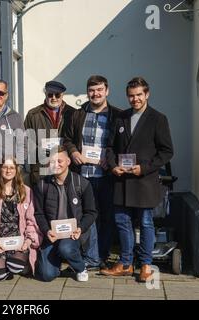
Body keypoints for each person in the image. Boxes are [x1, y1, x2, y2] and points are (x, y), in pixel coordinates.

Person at [100, 77, 173, 282]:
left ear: (147, 94)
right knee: (122, 222)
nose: (135, 99)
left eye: (139, 95)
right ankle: (125, 263)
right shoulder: (121, 117)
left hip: (144, 181)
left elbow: (167, 152)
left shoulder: (158, 119)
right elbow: (110, 148)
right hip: (122, 182)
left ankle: (146, 265)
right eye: (131, 96)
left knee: (146, 223)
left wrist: (144, 168)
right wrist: (113, 166)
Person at [63, 75, 122, 270]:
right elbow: (67, 138)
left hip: (105, 176)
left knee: (105, 217)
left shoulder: (117, 115)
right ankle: (89, 255)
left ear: (107, 91)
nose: (95, 94)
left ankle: (102, 255)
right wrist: (73, 152)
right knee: (85, 217)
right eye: (91, 90)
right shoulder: (77, 115)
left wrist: (111, 160)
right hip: (83, 175)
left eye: (99, 90)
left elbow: (122, 144)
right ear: (87, 92)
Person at [34, 146, 97, 282]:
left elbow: (91, 213)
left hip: (73, 233)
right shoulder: (42, 185)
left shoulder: (83, 183)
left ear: (68, 161)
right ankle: (56, 259)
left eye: (59, 161)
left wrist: (81, 228)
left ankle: (80, 267)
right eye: (52, 162)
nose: (56, 165)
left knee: (66, 248)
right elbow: (38, 214)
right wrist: (46, 231)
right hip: (52, 234)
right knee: (46, 275)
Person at [0, 156, 43, 281]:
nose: (8, 170)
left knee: (15, 266)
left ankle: (19, 263)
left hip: (20, 241)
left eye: (12, 167)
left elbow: (32, 220)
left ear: (17, 170)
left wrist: (28, 242)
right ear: (0, 169)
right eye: (5, 167)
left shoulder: (26, 192)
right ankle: (5, 262)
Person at [24, 80, 75, 186]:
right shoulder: (33, 115)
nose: (54, 98)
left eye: (57, 95)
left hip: (66, 169)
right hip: (42, 170)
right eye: (50, 94)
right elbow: (27, 142)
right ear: (45, 94)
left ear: (62, 95)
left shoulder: (73, 113)